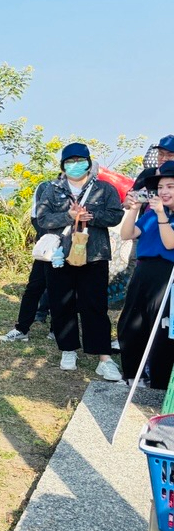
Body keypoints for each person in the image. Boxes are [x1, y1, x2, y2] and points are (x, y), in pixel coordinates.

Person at [35, 142, 123, 378]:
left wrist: (90, 216)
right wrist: (69, 215)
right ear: (63, 165)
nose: (75, 165)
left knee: (95, 305)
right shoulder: (52, 189)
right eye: (70, 161)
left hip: (94, 255)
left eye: (79, 161)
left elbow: (116, 215)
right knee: (62, 303)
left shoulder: (104, 189)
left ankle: (103, 357)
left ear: (88, 163)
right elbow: (42, 219)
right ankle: (68, 349)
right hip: (59, 256)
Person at [117, 161, 174, 391]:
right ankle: (133, 375)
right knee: (131, 322)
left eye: (170, 186)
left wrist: (161, 214)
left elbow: (170, 243)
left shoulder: (160, 214)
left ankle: (158, 383)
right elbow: (127, 234)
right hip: (144, 272)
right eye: (160, 188)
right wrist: (132, 209)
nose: (164, 192)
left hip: (168, 275)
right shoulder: (151, 215)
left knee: (161, 329)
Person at [0, 180, 52, 342]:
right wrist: (51, 237)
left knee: (61, 291)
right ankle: (22, 329)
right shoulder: (45, 187)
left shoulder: (83, 190)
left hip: (69, 249)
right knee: (33, 288)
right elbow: (36, 217)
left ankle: (57, 330)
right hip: (47, 249)